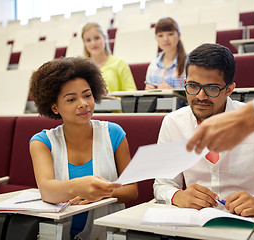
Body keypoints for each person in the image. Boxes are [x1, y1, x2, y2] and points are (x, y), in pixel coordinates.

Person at [153, 43, 254, 238]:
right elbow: (162, 184)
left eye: (212, 88)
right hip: (195, 231)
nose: (200, 96)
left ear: (230, 89)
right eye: (192, 86)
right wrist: (177, 196)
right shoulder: (173, 123)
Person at [29, 57, 138, 240]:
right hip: (57, 234)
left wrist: (100, 194)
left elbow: (131, 190)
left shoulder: (114, 133)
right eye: (71, 99)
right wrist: (79, 186)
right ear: (55, 107)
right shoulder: (41, 142)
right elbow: (47, 190)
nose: (83, 103)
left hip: (106, 234)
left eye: (87, 95)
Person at [81, 22, 137, 92]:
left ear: (104, 38)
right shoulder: (82, 69)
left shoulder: (119, 63)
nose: (93, 43)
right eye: (88, 40)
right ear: (84, 43)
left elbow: (131, 92)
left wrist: (114, 98)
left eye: (97, 38)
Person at [145, 17, 186, 90]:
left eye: (170, 34)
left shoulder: (188, 64)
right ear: (156, 38)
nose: (165, 39)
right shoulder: (153, 66)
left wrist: (173, 92)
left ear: (179, 36)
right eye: (160, 35)